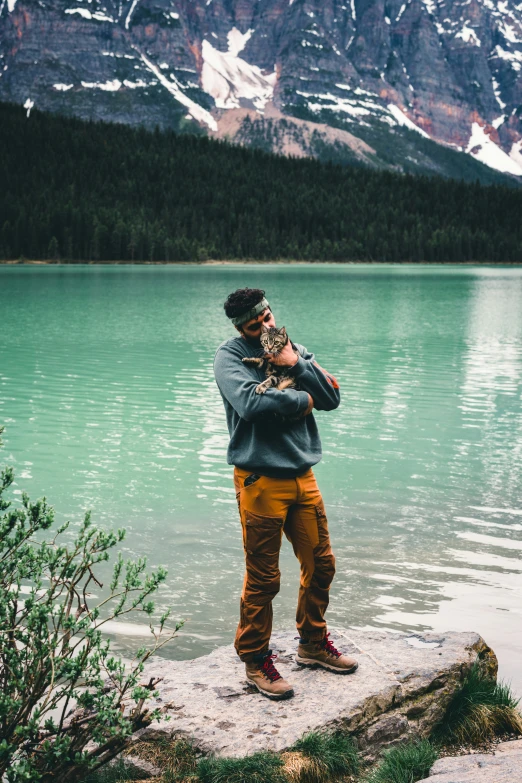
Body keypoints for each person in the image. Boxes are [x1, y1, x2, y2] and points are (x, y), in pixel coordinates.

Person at [213, 288, 358, 701]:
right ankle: (256, 661)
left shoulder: (292, 347)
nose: (265, 328)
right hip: (259, 482)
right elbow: (251, 406)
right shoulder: (229, 356)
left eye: (268, 318)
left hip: (303, 477)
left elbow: (331, 396)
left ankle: (312, 645)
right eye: (254, 325)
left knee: (322, 563)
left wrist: (295, 363)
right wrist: (301, 400)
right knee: (263, 579)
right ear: (241, 327)